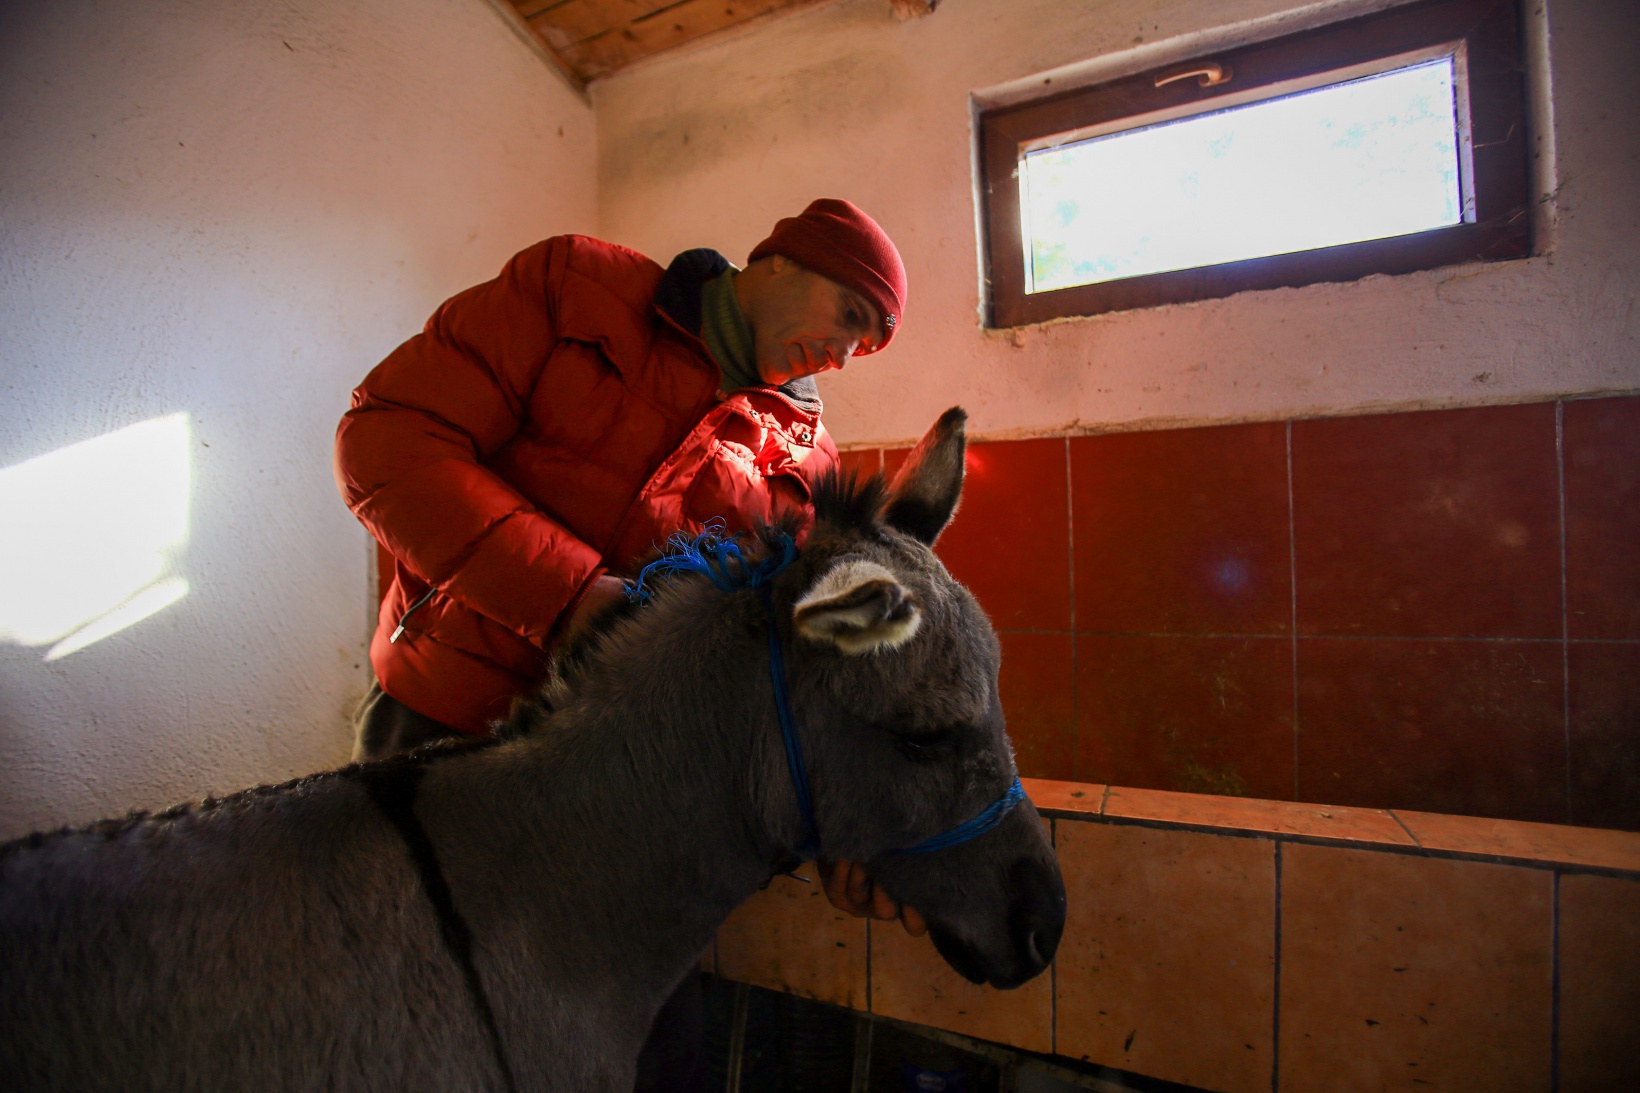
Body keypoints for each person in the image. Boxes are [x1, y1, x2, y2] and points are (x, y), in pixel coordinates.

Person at [334, 198, 921, 1089]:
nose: (843, 354)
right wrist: (570, 597)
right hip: (447, 730)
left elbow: (793, 668)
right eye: (849, 314)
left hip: (632, 790)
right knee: (417, 1034)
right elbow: (389, 437)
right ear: (780, 259)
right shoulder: (577, 289)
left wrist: (853, 817)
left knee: (646, 1059)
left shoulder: (808, 463)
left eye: (865, 345)